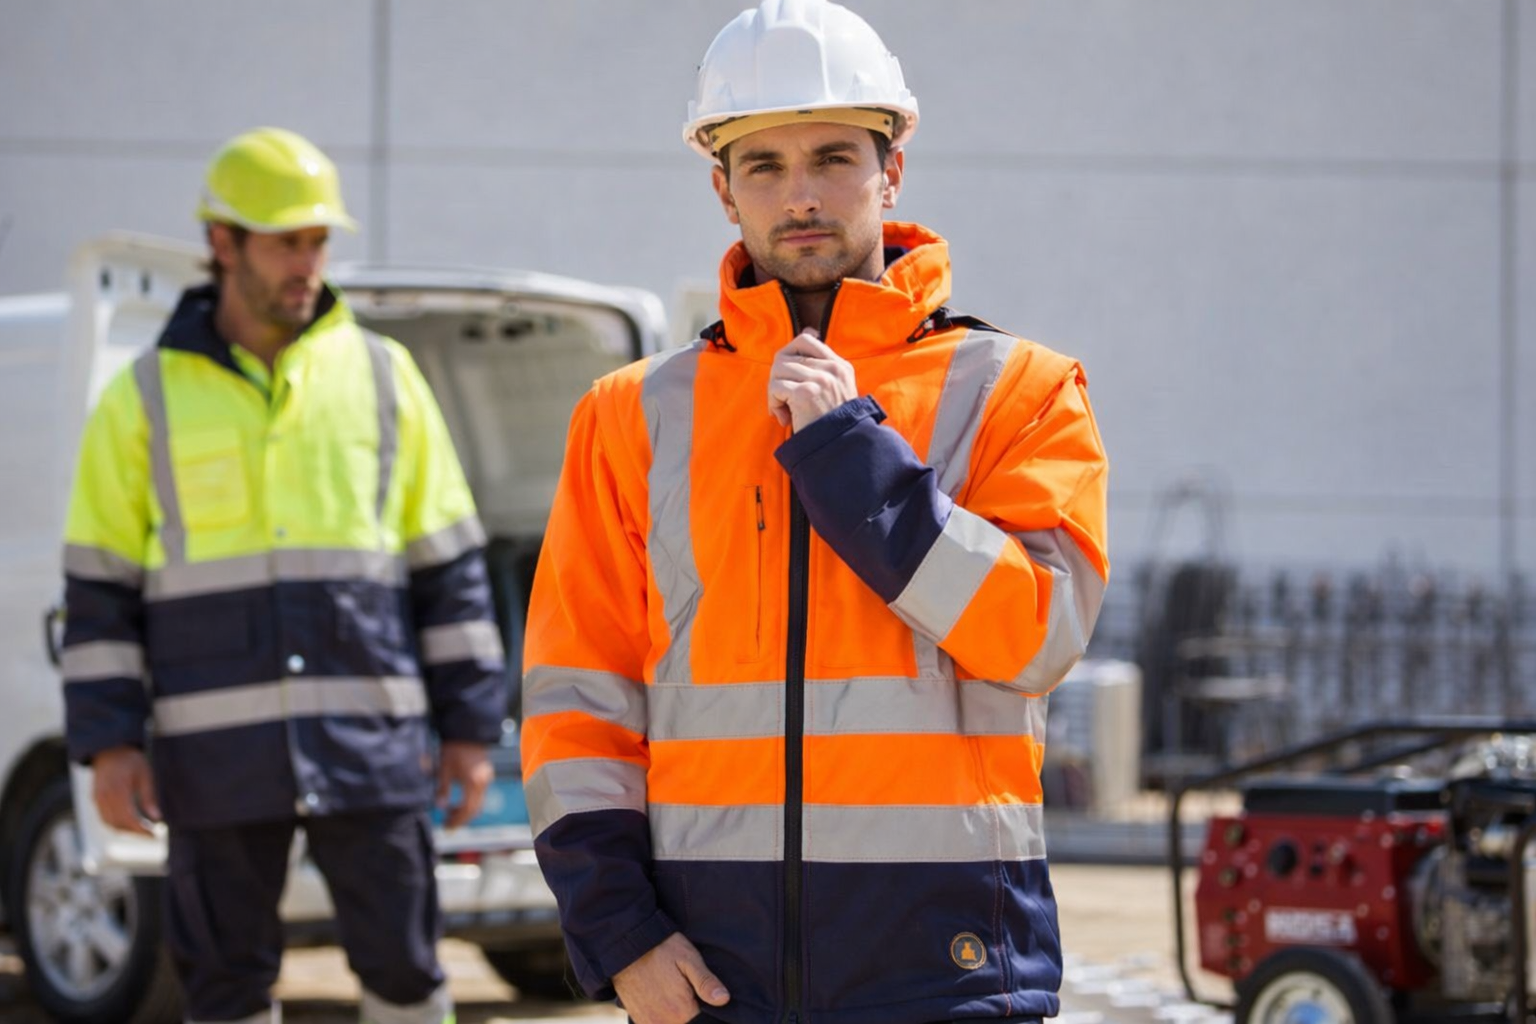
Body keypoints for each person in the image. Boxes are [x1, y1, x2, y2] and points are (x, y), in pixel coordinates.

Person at [521, 3, 1110, 1023]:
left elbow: (1037, 639)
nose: (801, 196)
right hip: (710, 972)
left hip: (949, 962)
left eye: (835, 157)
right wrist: (623, 939)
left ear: (893, 169)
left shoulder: (1023, 390)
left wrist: (851, 454)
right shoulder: (631, 417)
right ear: (722, 188)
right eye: (764, 166)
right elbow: (579, 708)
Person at [60, 126, 506, 1024]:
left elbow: (447, 567)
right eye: (285, 241)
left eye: (317, 241)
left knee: (409, 976)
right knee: (225, 989)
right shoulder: (142, 398)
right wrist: (110, 744)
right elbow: (100, 587)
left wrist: (469, 728)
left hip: (370, 749)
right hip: (214, 756)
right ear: (222, 243)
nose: (308, 263)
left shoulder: (386, 377)